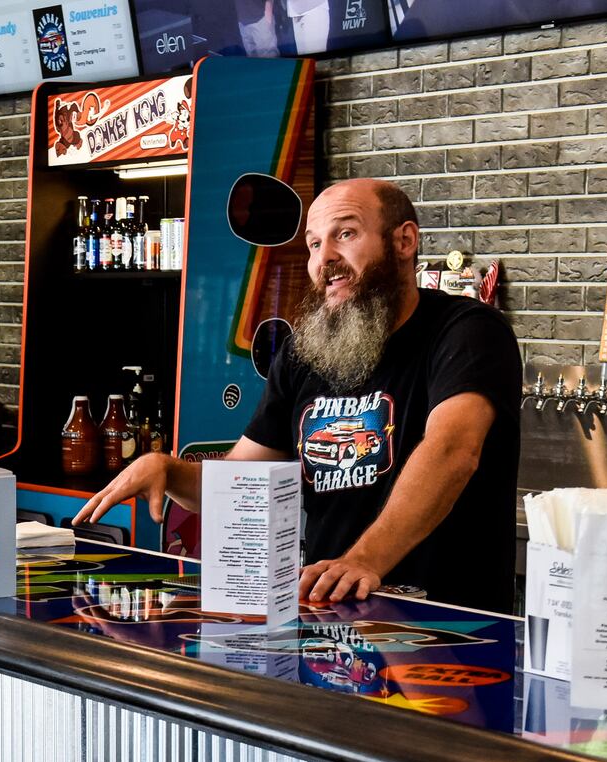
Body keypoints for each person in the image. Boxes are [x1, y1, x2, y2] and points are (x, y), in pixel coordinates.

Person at [76, 178, 521, 613]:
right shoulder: (305, 351)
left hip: (451, 630)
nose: (325, 258)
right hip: (334, 620)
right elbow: (244, 481)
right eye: (313, 244)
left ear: (404, 241)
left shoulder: (467, 330)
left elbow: (452, 450)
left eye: (345, 234)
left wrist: (365, 561)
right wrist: (169, 471)